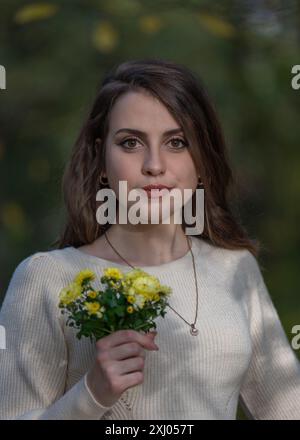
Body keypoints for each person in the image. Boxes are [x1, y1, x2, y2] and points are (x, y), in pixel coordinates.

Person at [0, 59, 299, 420]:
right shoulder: (45, 278)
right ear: (100, 156)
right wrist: (91, 395)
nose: (154, 165)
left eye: (177, 142)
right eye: (131, 142)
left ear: (202, 158)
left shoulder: (236, 267)